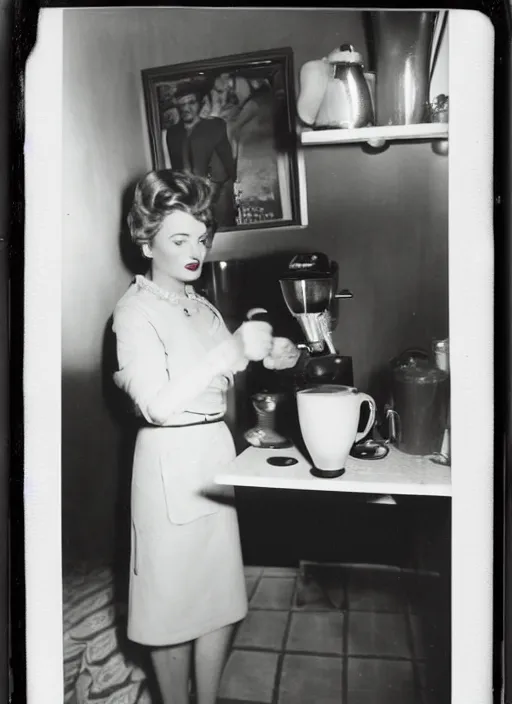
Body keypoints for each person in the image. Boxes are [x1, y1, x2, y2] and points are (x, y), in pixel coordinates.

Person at [112, 170, 300, 704]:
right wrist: (230, 350)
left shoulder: (198, 304)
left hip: (214, 458)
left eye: (200, 238)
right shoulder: (133, 314)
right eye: (179, 239)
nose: (195, 251)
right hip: (169, 463)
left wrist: (273, 352)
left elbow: (229, 363)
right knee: (171, 610)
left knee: (219, 600)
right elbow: (156, 404)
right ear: (145, 241)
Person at [165, 82, 237, 228]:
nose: (186, 108)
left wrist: (215, 194)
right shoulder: (173, 134)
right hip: (189, 202)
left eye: (191, 102)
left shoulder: (215, 126)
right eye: (182, 104)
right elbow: (176, 170)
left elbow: (226, 164)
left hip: (218, 198)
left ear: (200, 103)